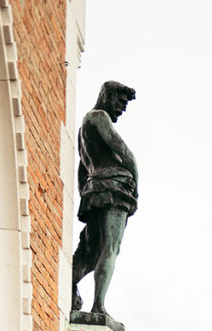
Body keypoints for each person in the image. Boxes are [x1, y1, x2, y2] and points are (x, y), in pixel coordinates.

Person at [71, 80, 138, 317]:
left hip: (94, 190)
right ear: (107, 96)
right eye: (119, 102)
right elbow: (124, 152)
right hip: (114, 188)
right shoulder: (99, 117)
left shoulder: (82, 131)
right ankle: (98, 306)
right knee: (111, 248)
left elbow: (82, 170)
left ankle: (69, 287)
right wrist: (135, 185)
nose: (121, 109)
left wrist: (86, 192)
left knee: (91, 251)